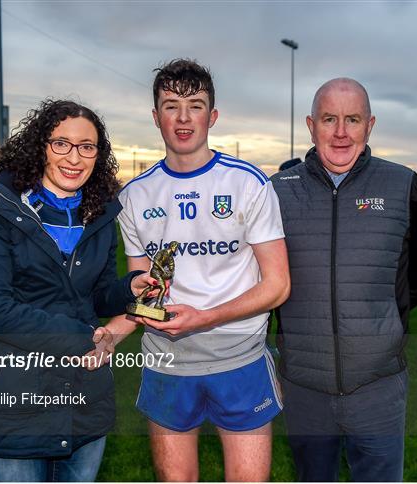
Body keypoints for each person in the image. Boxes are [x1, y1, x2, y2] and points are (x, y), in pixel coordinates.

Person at [96, 59, 290, 481]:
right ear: (156, 117)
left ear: (212, 116)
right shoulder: (135, 196)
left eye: (195, 105)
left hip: (239, 360)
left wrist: (207, 317)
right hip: (168, 363)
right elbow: (147, 293)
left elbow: (277, 285)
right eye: (171, 105)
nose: (183, 118)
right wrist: (111, 335)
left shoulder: (248, 184)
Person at [0, 99, 156, 482]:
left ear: (98, 154)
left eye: (87, 146)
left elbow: (94, 295)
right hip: (15, 400)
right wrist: (81, 338)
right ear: (40, 145)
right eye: (61, 143)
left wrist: (130, 288)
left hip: (83, 398)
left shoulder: (100, 212)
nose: (74, 157)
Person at [271, 78, 417, 482]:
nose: (341, 132)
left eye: (353, 119)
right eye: (329, 119)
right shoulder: (276, 191)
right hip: (304, 387)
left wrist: (385, 319)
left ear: (370, 125)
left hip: (378, 387)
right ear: (311, 125)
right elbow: (260, 279)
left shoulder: (402, 184)